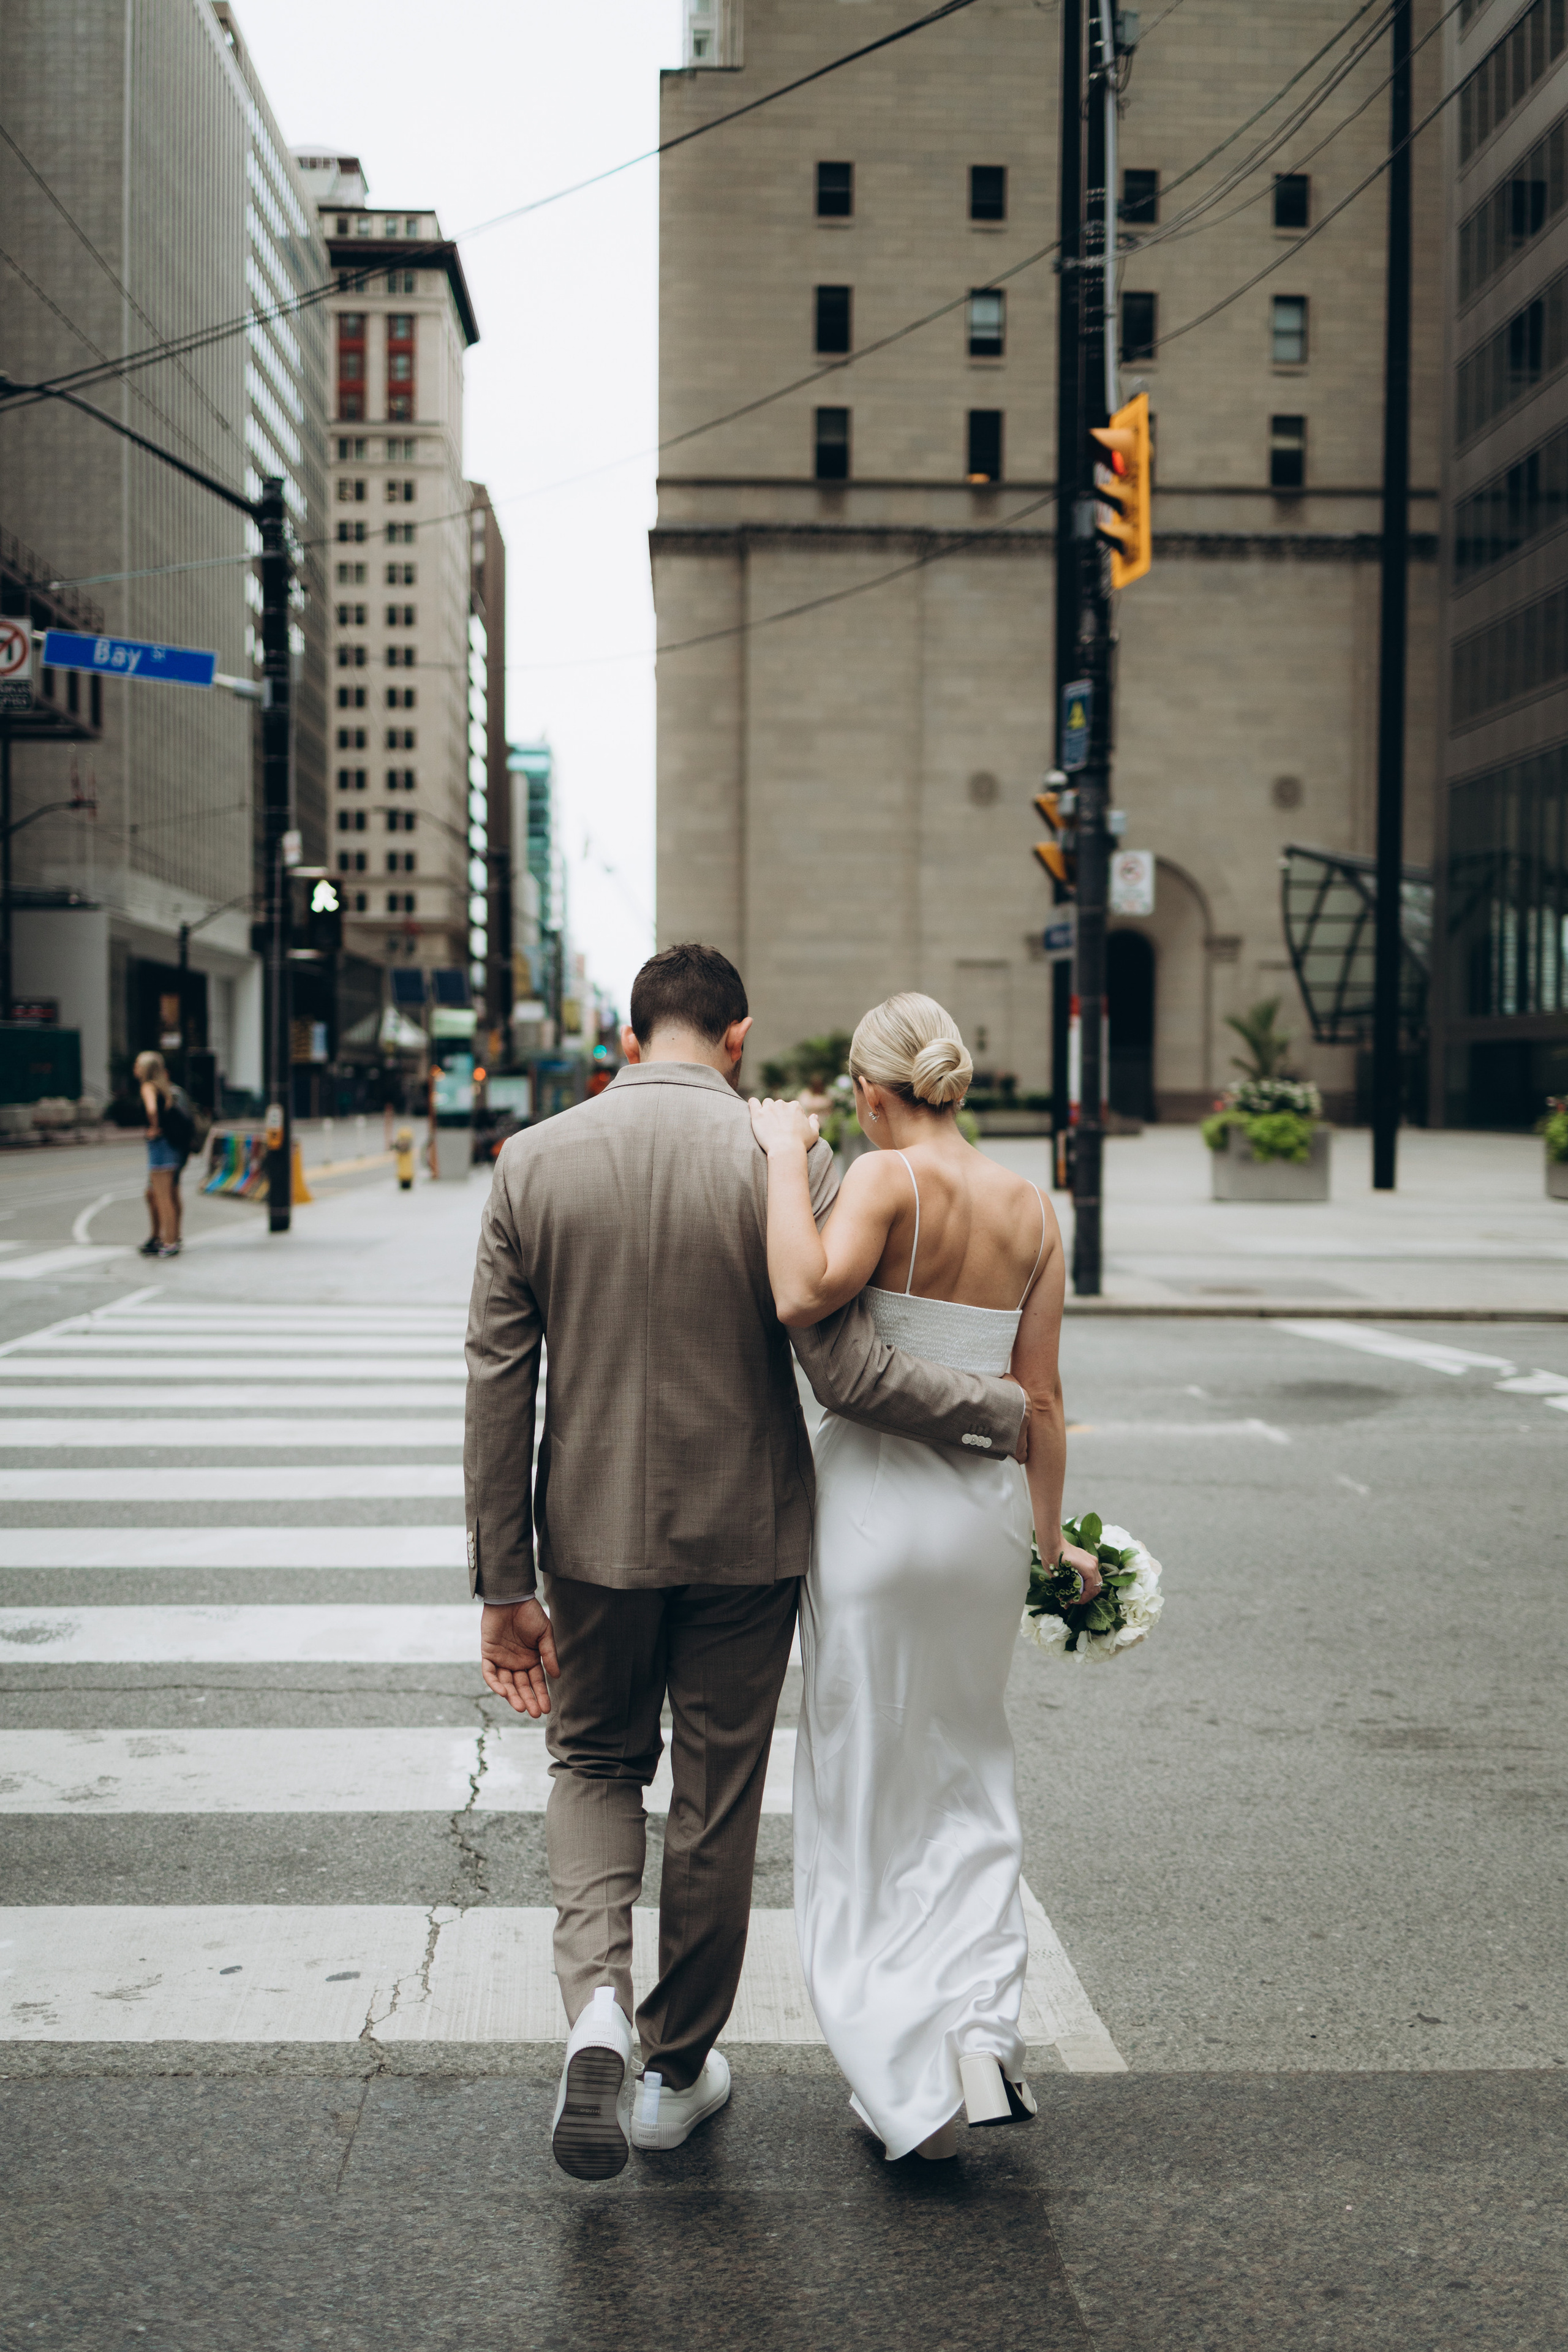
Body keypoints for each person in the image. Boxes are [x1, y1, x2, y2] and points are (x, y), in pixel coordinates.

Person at [464, 945, 1029, 2183]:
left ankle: (595, 2009)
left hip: (591, 1533)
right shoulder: (791, 1159)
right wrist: (1001, 1414)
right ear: (737, 1038)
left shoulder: (532, 1163)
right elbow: (844, 1371)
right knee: (716, 1796)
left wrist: (506, 1585)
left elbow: (499, 1381)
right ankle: (673, 2069)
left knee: (596, 1759)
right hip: (748, 1529)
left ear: (626, 1035)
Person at [749, 992, 1101, 2163]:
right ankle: (981, 2025)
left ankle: (907, 2090)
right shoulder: (1030, 1206)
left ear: (869, 1089)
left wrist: (784, 1155)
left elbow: (804, 1294)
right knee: (967, 1766)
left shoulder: (885, 1184)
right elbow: (1041, 1399)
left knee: (863, 1790)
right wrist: (1053, 1547)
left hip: (874, 1518)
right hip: (986, 1526)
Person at [134, 1050, 186, 1259]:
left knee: (162, 1197)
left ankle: (170, 1242)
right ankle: (171, 1238)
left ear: (146, 1069)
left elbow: (152, 1110)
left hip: (160, 1146)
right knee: (169, 1195)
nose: (135, 1068)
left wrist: (153, 1127)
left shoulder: (148, 1087)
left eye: (138, 1064)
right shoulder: (166, 1088)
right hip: (172, 1146)